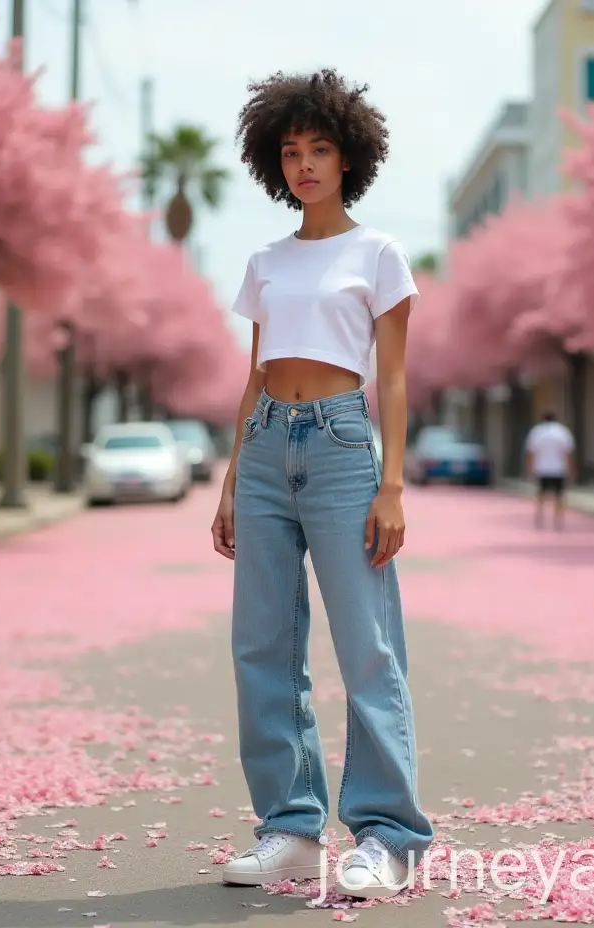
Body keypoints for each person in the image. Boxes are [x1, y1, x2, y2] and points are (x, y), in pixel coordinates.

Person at [209, 68, 433, 900]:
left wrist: (394, 485)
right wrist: (233, 480)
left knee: (367, 647)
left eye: (320, 150)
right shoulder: (266, 260)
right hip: (267, 445)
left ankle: (390, 836)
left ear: (349, 158)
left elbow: (397, 380)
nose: (304, 165)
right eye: (291, 152)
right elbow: (253, 373)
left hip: (343, 445)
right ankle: (290, 830)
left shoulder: (377, 252)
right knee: (262, 645)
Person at [524, 411, 575, 530]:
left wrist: (529, 469)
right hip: (558, 468)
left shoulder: (537, 432)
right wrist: (570, 469)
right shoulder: (562, 432)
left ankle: (540, 519)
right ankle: (558, 520)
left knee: (541, 495)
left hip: (542, 468)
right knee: (559, 496)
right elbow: (568, 452)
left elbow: (531, 452)